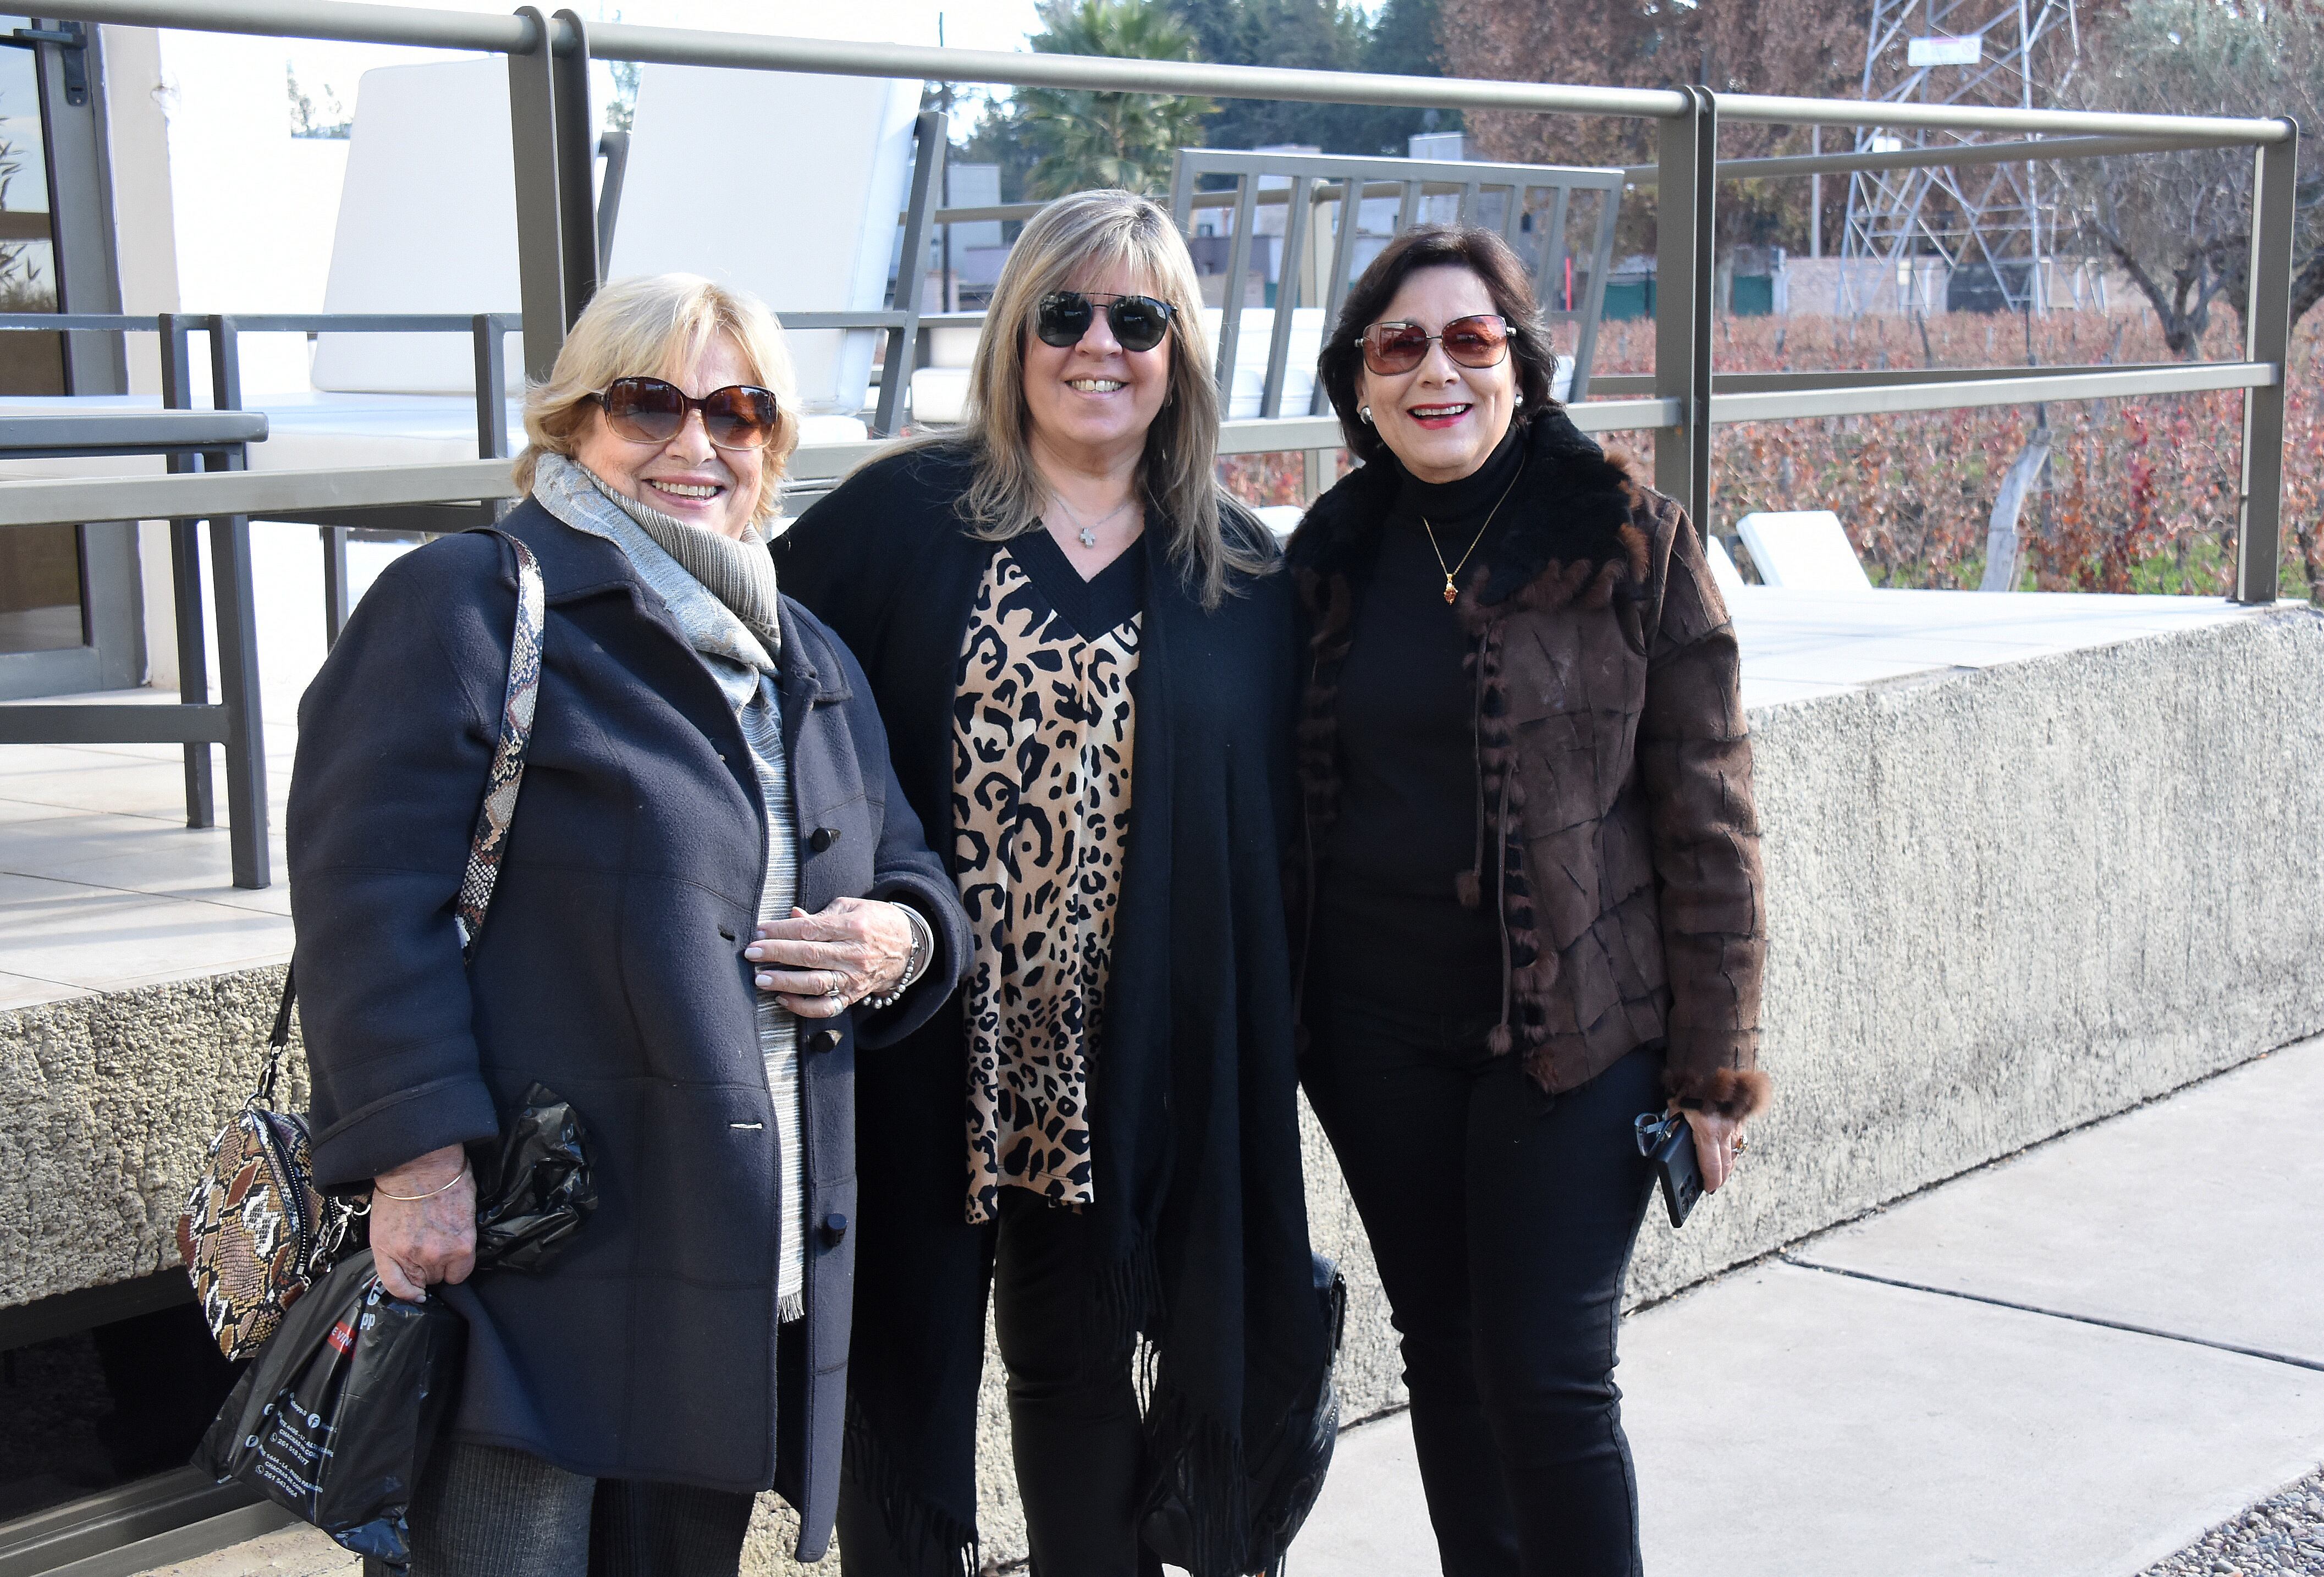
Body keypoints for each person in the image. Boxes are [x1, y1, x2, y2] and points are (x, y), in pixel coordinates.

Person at [289, 272, 967, 1577]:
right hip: (532, 1252)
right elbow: (367, 905)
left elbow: (909, 868)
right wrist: (417, 1167)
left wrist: (901, 940)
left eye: (739, 412)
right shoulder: (472, 603)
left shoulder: (803, 653)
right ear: (573, 422)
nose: (694, 443)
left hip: (723, 1261)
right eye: (649, 402)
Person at [776, 190, 1329, 1577]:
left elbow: (1307, 815)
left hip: (1116, 1067)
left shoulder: (1238, 573)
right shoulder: (902, 519)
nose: (1100, 345)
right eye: (1062, 314)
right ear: (1013, 337)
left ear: (1178, 349)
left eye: (1136, 318)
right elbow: (746, 678)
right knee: (902, 1394)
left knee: (1079, 1395)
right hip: (920, 1042)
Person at [1285, 224, 1771, 1576]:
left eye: (1469, 340)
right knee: (1444, 1359)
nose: (1435, 370)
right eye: (1399, 345)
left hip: (1577, 1035)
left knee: (1547, 1375)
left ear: (1521, 364)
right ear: (1361, 383)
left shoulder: (1628, 541)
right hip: (1374, 1036)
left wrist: (1714, 1071)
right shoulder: (1325, 560)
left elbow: (1710, 823)